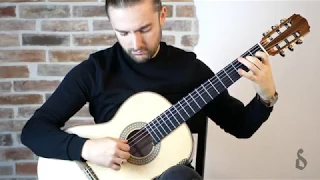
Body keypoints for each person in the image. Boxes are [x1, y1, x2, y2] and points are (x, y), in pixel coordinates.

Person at [20, 0, 278, 179]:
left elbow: (240, 127)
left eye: (145, 29)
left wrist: (266, 97)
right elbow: (34, 132)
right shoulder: (95, 70)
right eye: (123, 32)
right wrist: (86, 148)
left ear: (162, 15)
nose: (136, 43)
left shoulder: (190, 69)